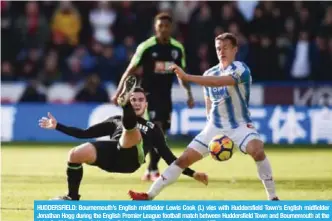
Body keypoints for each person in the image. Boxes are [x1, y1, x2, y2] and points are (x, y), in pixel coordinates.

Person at [128, 33, 279, 201]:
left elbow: (218, 82)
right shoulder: (210, 72)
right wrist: (211, 130)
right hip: (214, 127)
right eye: (218, 48)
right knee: (183, 159)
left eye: (226, 48)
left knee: (257, 151)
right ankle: (149, 195)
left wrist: (187, 77)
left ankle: (272, 197)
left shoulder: (241, 69)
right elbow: (209, 102)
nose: (221, 51)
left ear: (235, 50)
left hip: (240, 125)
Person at [39, 75, 207, 200]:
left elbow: (169, 158)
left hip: (131, 159)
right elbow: (84, 133)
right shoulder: (115, 121)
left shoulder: (153, 128)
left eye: (140, 100)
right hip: (112, 156)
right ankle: (72, 198)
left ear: (146, 104)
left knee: (131, 131)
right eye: (132, 100)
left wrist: (192, 174)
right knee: (75, 154)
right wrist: (57, 126)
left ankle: (123, 103)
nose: (137, 103)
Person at [112, 12, 195, 181]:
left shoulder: (177, 49)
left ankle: (151, 169)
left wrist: (189, 94)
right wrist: (119, 91)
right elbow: (130, 70)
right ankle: (152, 169)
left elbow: (182, 75)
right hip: (147, 96)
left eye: (166, 26)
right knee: (155, 129)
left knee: (161, 133)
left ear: (171, 28)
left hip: (166, 96)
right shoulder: (146, 47)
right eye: (160, 26)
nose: (163, 29)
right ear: (155, 27)